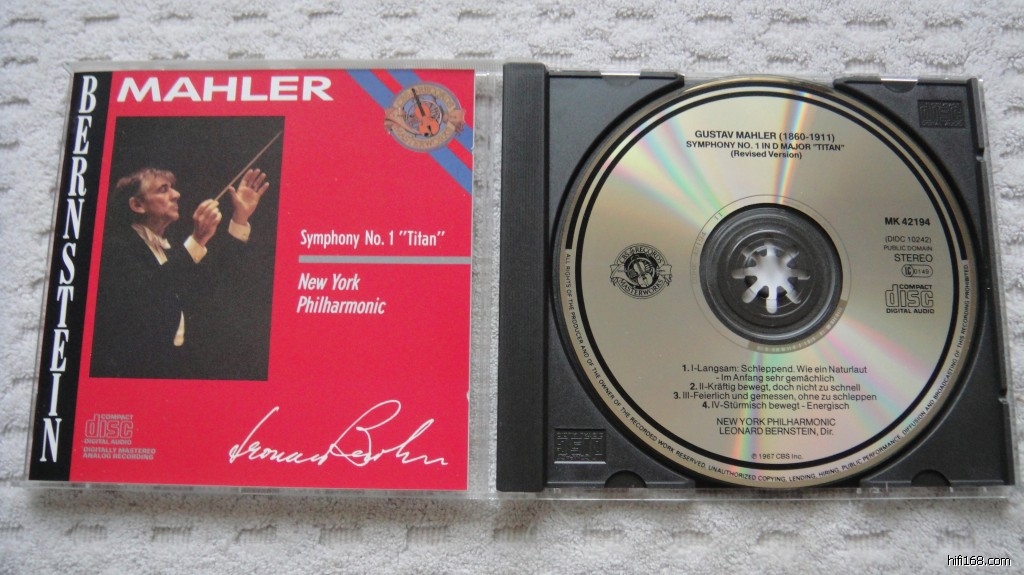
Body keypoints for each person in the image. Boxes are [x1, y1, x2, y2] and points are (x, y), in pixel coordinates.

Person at [90, 167, 269, 379]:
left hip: (176, 366)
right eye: (163, 189)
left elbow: (213, 284)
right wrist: (197, 240)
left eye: (172, 188)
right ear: (137, 205)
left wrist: (240, 218)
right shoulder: (116, 248)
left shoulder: (170, 249)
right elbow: (149, 294)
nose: (176, 194)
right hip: (137, 372)